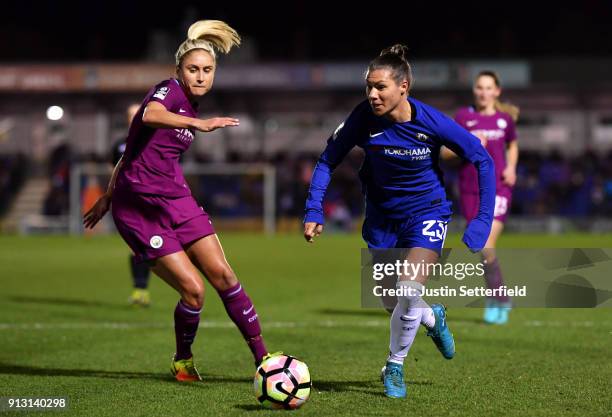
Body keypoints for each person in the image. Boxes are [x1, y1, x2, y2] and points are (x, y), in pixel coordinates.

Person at [83, 20, 273, 382]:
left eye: (207, 70)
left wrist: (107, 192)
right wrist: (199, 125)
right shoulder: (168, 91)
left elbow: (131, 152)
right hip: (139, 209)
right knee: (194, 291)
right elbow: (150, 116)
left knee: (224, 276)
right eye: (193, 69)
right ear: (178, 71)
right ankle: (182, 359)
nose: (200, 76)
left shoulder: (190, 102)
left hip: (176, 198)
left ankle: (264, 359)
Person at [303, 45, 496, 399]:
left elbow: (482, 158)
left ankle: (394, 366)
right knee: (394, 302)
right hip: (380, 218)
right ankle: (432, 318)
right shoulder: (362, 118)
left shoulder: (431, 121)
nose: (373, 94)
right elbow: (328, 160)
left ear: (403, 87)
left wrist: (483, 220)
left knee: (408, 290)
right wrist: (314, 209)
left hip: (427, 212)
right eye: (369, 87)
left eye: (380, 87)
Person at [443, 70, 519, 324]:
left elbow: (512, 145)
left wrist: (511, 167)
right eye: (479, 87)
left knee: (486, 244)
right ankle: (501, 296)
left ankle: (496, 298)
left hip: (498, 187)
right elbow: (445, 153)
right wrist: (469, 143)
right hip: (470, 189)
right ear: (474, 90)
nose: (484, 92)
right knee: (482, 249)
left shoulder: (505, 120)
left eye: (489, 88)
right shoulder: (464, 117)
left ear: (497, 91)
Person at [111, 103, 153, 306]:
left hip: (154, 199)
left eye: (138, 113)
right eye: (130, 114)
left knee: (151, 245)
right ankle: (140, 290)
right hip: (129, 200)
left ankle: (142, 290)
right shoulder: (120, 144)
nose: (134, 116)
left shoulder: (157, 137)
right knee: (137, 247)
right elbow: (115, 170)